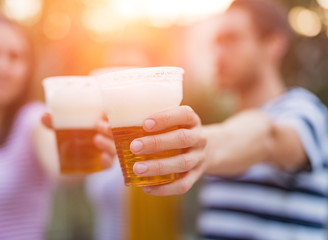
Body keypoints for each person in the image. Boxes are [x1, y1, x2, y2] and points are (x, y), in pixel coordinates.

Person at [124, 0, 328, 239]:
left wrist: (200, 145)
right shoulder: (225, 127)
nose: (219, 54)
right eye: (216, 43)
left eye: (232, 40)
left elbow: (266, 136)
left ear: (274, 44)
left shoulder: (305, 111)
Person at [0, 15, 114, 240]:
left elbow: (62, 166)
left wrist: (85, 148)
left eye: (15, 57)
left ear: (28, 68)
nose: (1, 67)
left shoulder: (33, 120)